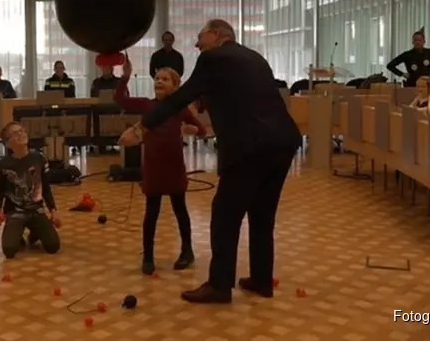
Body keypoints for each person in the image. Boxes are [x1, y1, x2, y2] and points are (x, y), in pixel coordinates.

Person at [119, 19, 301, 304]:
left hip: (249, 147)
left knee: (224, 216)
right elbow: (237, 97)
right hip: (283, 142)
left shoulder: (213, 57)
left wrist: (141, 128)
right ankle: (262, 280)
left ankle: (219, 286)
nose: (196, 43)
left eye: (200, 36)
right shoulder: (254, 57)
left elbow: (180, 98)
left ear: (217, 34)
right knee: (262, 216)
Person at [114, 57, 206, 275]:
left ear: (175, 86)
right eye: (157, 78)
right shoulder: (147, 105)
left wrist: (193, 130)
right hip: (154, 168)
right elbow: (120, 99)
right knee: (151, 214)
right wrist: (125, 76)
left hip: (174, 167)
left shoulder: (180, 109)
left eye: (165, 79)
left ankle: (187, 251)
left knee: (180, 210)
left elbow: (201, 130)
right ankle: (148, 256)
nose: (160, 81)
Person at [0, 121, 61, 259]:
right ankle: (17, 232)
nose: (21, 134)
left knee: (53, 246)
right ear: (7, 144)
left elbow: (46, 188)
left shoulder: (39, 159)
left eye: (22, 130)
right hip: (15, 212)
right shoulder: (3, 164)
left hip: (36, 210)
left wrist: (54, 211)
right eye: (15, 133)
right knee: (9, 250)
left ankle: (36, 231)